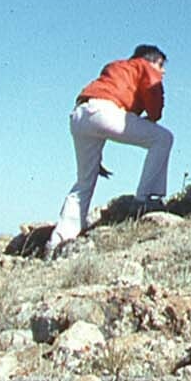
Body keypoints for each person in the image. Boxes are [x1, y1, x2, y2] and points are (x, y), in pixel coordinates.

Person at [48, 44, 173, 250]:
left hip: (80, 115)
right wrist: (153, 116)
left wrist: (96, 159)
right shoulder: (145, 66)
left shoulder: (117, 67)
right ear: (150, 60)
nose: (163, 70)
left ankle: (58, 241)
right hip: (104, 112)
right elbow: (153, 92)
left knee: (83, 183)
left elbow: (102, 104)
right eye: (161, 64)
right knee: (163, 138)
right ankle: (145, 199)